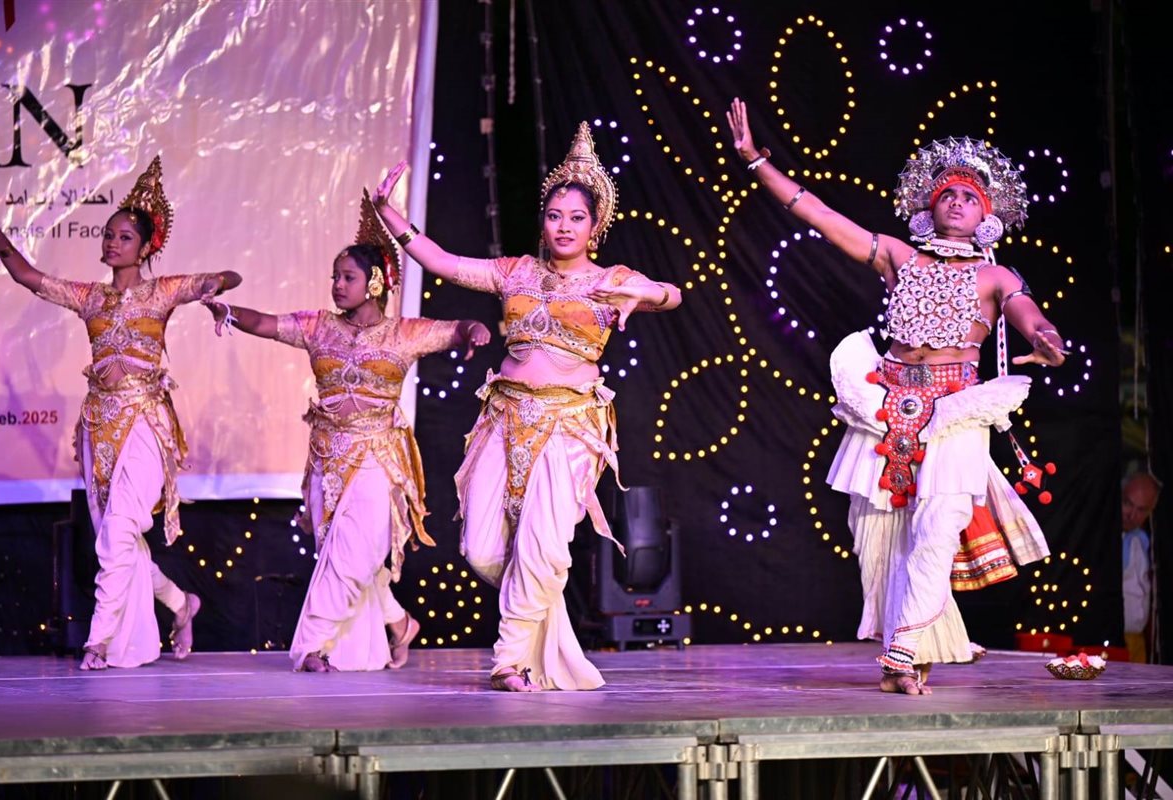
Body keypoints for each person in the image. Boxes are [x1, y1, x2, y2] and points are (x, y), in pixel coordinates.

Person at [727, 99, 1065, 694]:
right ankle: (903, 652)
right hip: (884, 408)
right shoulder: (897, 255)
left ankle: (904, 652)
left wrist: (1047, 338)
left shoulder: (996, 276)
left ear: (986, 215)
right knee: (877, 541)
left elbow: (1030, 316)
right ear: (928, 206)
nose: (955, 202)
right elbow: (818, 214)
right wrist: (756, 161)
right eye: (946, 194)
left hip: (955, 414)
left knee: (937, 530)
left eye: (969, 198)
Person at [370, 123, 682, 691]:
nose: (563, 226)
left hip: (570, 426)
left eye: (576, 218)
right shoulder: (515, 272)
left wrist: (647, 292)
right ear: (543, 222)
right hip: (505, 418)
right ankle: (543, 632)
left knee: (543, 545)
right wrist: (390, 215)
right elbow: (442, 262)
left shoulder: (612, 280)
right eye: (555, 215)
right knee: (482, 548)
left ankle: (508, 662)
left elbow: (673, 294)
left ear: (595, 226)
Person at [204, 190, 490, 672]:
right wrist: (230, 313)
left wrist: (473, 330)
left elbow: (457, 327)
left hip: (379, 455)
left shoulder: (403, 333)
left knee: (355, 554)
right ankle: (398, 623)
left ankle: (312, 646)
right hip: (326, 459)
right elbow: (267, 323)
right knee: (340, 554)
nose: (337, 285)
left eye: (347, 277)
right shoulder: (318, 327)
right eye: (334, 277)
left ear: (375, 283)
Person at [0, 157, 239, 670]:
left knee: (118, 531)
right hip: (99, 427)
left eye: (124, 237)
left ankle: (97, 641)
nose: (113, 243)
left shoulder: (162, 292)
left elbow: (232, 274)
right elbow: (28, 277)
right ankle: (181, 603)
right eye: (109, 235)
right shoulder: (90, 297)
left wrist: (215, 284)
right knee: (119, 540)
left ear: (145, 247)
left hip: (145, 422)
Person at [1121, 471, 1161, 663]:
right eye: (1128, 503)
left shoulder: (1143, 540)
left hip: (1137, 641)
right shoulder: (1105, 538)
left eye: (1141, 509)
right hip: (1114, 639)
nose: (1132, 515)